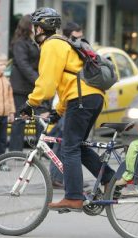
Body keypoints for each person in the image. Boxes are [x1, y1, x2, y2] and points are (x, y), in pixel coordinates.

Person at [20, 7, 115, 212]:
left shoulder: (51, 45)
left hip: (81, 99)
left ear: (40, 28)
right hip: (92, 97)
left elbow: (46, 84)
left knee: (68, 147)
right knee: (77, 145)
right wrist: (60, 110)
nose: (33, 31)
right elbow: (69, 79)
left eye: (34, 27)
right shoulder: (64, 43)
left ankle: (73, 197)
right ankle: (109, 179)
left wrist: (30, 104)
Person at [49, 21, 84, 189]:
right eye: (77, 36)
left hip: (75, 102)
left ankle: (64, 180)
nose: (80, 40)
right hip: (71, 102)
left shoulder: (74, 50)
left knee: (66, 142)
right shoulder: (70, 50)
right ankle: (58, 177)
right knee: (66, 141)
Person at [8, 14, 41, 152]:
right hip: (21, 87)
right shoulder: (20, 42)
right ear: (28, 26)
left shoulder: (31, 41)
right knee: (20, 121)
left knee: (40, 119)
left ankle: (41, 150)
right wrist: (38, 80)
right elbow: (23, 65)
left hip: (32, 86)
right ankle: (15, 152)